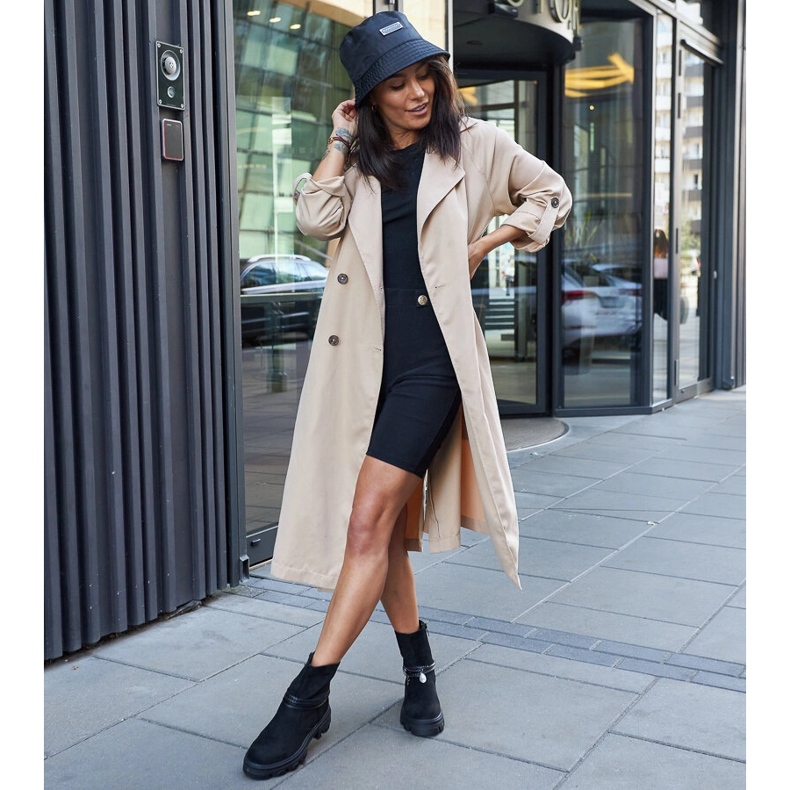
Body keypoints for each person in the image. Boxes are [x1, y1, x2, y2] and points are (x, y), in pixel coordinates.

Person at [243, 11, 571, 780]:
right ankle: (418, 666)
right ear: (367, 96)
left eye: (425, 74)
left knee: (364, 523)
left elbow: (549, 192)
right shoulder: (356, 164)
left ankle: (308, 694)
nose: (418, 92)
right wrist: (336, 136)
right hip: (361, 367)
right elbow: (312, 215)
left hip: (432, 364)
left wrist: (488, 241)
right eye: (397, 83)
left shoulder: (477, 144)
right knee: (382, 530)